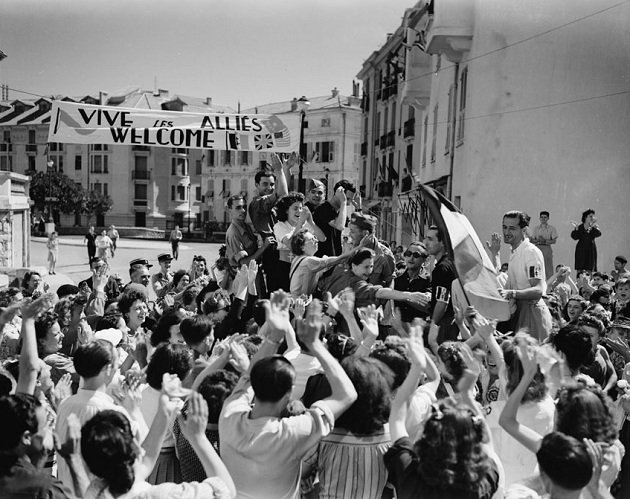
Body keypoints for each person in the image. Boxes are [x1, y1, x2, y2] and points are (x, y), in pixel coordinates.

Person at [219, 297, 357, 499]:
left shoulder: (230, 415)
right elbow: (348, 394)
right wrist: (315, 344)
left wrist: (274, 338)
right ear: (288, 394)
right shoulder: (293, 432)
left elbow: (249, 376)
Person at [80, 393, 235, 499]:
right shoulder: (164, 495)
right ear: (135, 446)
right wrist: (198, 438)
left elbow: (145, 462)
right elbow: (225, 490)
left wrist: (163, 413)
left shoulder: (95, 491)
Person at [488, 211, 552, 341]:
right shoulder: (515, 252)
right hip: (518, 311)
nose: (506, 232)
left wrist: (512, 293)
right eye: (504, 227)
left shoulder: (530, 252)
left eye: (512, 228)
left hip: (532, 313)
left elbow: (538, 290)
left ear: (524, 230)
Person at [0, 394, 74, 499]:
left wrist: (39, 462)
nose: (49, 431)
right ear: (27, 437)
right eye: (44, 426)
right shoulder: (46, 488)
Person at [248, 154, 292, 294]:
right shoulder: (257, 203)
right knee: (277, 293)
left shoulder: (272, 201)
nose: (269, 187)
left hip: (282, 249)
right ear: (256, 185)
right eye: (265, 184)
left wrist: (286, 169)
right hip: (271, 253)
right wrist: (280, 171)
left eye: (272, 184)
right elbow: (283, 194)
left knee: (287, 290)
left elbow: (283, 190)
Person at [273, 192, 326, 292]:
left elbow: (322, 238)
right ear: (287, 210)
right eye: (295, 208)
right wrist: (300, 224)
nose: (299, 211)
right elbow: (290, 244)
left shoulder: (304, 224)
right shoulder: (280, 226)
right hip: (285, 267)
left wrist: (311, 222)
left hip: (303, 266)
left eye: (301, 208)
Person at [289, 228, 352, 298]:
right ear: (302, 247)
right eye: (312, 239)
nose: (317, 240)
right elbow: (338, 260)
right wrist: (360, 247)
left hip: (297, 300)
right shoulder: (309, 261)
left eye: (315, 237)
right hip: (300, 303)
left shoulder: (297, 259)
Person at [225, 194, 270, 292]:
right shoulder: (234, 233)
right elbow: (244, 263)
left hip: (254, 277)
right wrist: (264, 247)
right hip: (244, 283)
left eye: (244, 207)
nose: (243, 211)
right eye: (238, 208)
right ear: (229, 210)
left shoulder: (246, 227)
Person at [425, 225, 459, 344]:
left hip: (445, 325)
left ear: (443, 242)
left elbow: (442, 301)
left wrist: (433, 325)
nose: (426, 243)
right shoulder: (451, 263)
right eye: (426, 238)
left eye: (430, 239)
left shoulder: (442, 268)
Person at [348, 213, 396, 287]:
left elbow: (389, 280)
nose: (349, 234)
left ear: (365, 233)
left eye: (353, 231)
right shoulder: (349, 249)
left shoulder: (385, 255)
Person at [313, 180, 357, 257]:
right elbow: (340, 226)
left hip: (335, 259)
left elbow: (356, 227)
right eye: (347, 199)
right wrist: (343, 202)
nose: (349, 203)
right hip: (322, 260)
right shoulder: (323, 209)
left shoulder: (340, 213)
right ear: (338, 194)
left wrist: (358, 208)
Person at [394, 242, 431, 323]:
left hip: (418, 330)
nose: (411, 258)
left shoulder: (429, 280)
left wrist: (404, 297)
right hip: (398, 328)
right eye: (408, 254)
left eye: (416, 255)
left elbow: (428, 306)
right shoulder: (397, 278)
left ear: (425, 260)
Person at [571, 208, 601, 273]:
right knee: (580, 270)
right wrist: (576, 229)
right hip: (581, 250)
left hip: (590, 250)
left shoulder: (594, 227)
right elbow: (574, 237)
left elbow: (598, 234)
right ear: (585, 217)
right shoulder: (580, 227)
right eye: (590, 216)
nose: (592, 218)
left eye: (593, 216)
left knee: (590, 269)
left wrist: (592, 226)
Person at [530, 211, 557, 279]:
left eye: (545, 217)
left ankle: (549, 282)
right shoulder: (536, 228)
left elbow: (554, 241)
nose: (543, 219)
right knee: (537, 266)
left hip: (547, 248)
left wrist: (545, 241)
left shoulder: (551, 228)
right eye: (541, 217)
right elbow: (532, 240)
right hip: (537, 248)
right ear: (539, 218)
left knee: (548, 267)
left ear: (548, 218)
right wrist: (539, 240)